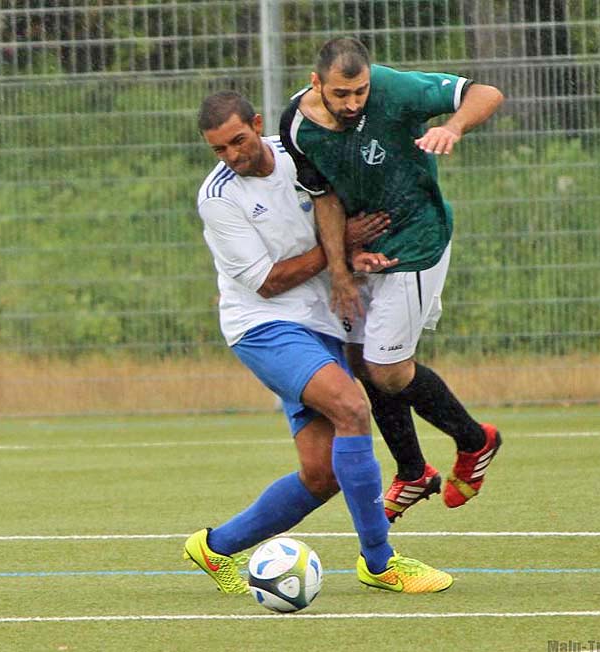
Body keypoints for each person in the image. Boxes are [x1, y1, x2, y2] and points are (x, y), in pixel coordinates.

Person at [183, 90, 453, 596]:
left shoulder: (299, 155)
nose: (232, 155)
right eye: (219, 149)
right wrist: (340, 246)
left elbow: (343, 217)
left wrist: (357, 255)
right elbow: (268, 283)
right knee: (352, 408)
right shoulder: (218, 198)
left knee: (322, 474)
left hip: (323, 323)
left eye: (238, 141)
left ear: (257, 125)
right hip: (264, 326)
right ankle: (380, 562)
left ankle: (215, 547)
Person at [280, 37, 504, 522]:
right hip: (365, 252)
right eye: (341, 94)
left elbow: (486, 93)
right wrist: (340, 269)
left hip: (418, 238)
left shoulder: (394, 89)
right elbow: (325, 198)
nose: (352, 103)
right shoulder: (296, 126)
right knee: (360, 361)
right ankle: (414, 472)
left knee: (387, 370)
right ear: (316, 83)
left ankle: (475, 440)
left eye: (360, 91)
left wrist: (453, 126)